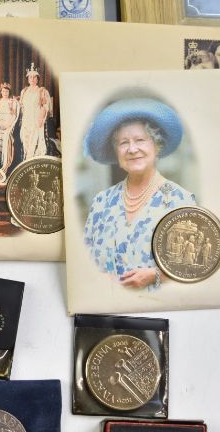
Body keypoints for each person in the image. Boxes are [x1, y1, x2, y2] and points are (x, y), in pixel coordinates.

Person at [82, 98, 196, 289]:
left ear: (156, 146)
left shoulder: (180, 200)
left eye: (140, 140)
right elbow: (83, 263)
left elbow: (194, 267)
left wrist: (155, 275)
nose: (132, 149)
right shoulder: (101, 202)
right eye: (123, 143)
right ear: (116, 152)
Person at [19, 63, 52, 160]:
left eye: (34, 77)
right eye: (30, 77)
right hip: (26, 119)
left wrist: (40, 120)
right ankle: (26, 160)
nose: (32, 79)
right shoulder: (24, 91)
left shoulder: (42, 91)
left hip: (36, 119)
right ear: (28, 79)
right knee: (26, 141)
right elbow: (22, 107)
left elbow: (45, 107)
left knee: (35, 141)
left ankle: (33, 160)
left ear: (37, 79)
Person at [0, 82, 19, 182]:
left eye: (6, 91)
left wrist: (9, 125)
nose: (5, 93)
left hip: (8, 125)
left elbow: (15, 115)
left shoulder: (13, 102)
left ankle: (4, 169)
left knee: (6, 146)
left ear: (9, 92)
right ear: (1, 92)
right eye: (3, 91)